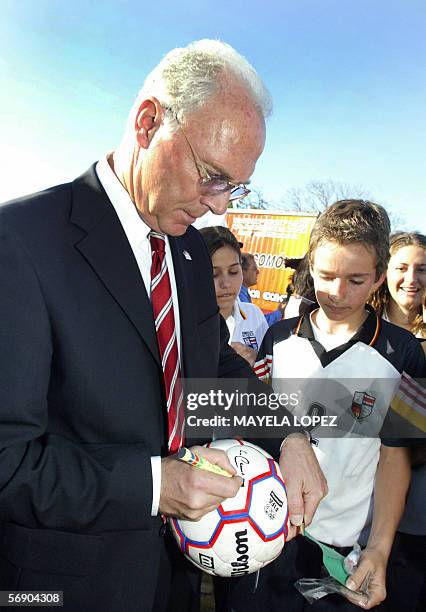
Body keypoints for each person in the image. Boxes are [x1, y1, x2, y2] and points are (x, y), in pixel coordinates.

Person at [0, 40, 327, 612]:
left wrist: (289, 436)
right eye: (211, 175)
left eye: (235, 186)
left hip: (171, 579)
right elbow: (8, 461)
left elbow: (212, 369)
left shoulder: (191, 255)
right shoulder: (21, 242)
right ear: (149, 122)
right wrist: (157, 485)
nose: (219, 206)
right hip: (57, 586)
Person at [231, 200, 425, 611]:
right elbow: (252, 432)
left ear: (378, 276)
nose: (338, 293)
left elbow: (396, 458)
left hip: (340, 553)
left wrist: (380, 549)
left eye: (356, 279)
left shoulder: (404, 353)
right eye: (325, 276)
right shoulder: (278, 338)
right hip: (263, 535)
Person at [370, 232, 426, 611]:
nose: (412, 279)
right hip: (363, 498)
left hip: (418, 508)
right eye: (402, 267)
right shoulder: (364, 330)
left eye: (422, 269)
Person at [200, 227, 268, 366]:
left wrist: (257, 360)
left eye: (233, 271)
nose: (226, 283)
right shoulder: (180, 321)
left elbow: (269, 370)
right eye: (213, 274)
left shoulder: (253, 315)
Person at [239, 252, 286, 325]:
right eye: (254, 268)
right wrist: (279, 312)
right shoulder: (239, 295)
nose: (258, 272)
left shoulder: (242, 292)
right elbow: (255, 323)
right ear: (242, 271)